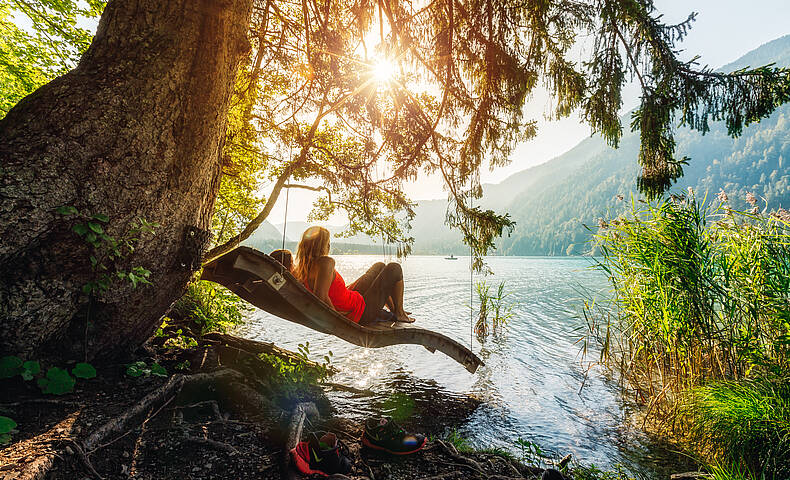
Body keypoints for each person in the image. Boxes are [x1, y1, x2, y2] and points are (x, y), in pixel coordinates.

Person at [294, 226, 414, 324]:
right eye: (327, 242)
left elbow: (320, 293)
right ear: (322, 245)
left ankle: (395, 310)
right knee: (394, 268)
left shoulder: (302, 268)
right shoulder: (326, 262)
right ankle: (399, 313)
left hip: (351, 299)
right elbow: (321, 296)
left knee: (379, 266)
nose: (329, 245)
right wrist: (337, 319)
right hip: (360, 312)